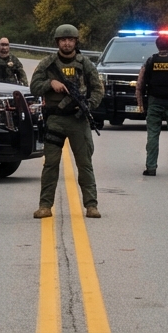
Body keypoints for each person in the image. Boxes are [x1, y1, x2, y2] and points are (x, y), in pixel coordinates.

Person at [30, 24, 104, 219]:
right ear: (57, 42)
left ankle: (91, 205)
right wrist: (50, 84)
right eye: (63, 40)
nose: (67, 43)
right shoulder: (48, 63)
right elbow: (34, 86)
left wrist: (87, 105)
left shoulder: (85, 64)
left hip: (78, 121)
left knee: (84, 164)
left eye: (70, 39)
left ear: (75, 42)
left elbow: (98, 89)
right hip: (55, 120)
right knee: (51, 164)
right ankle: (45, 206)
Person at [135, 34, 168, 176]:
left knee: (152, 135)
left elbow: (140, 84)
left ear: (157, 45)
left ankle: (151, 168)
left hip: (154, 101)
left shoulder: (150, 61)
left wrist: (140, 104)